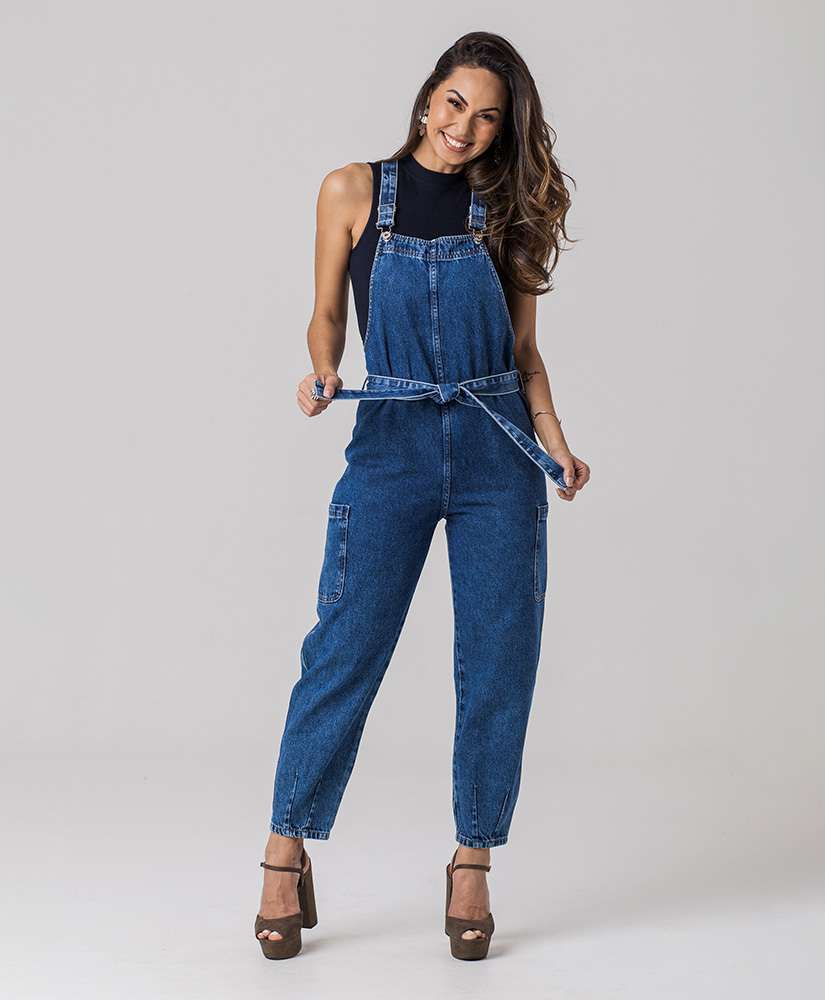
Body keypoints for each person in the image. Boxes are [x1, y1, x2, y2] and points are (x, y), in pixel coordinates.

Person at [255, 31, 590, 961]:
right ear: (427, 97)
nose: (465, 128)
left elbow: (524, 355)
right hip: (391, 442)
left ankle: (472, 859)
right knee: (344, 648)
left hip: (495, 450)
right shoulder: (351, 190)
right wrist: (323, 370)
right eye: (454, 103)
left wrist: (556, 444)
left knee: (498, 659)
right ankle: (285, 850)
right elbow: (327, 314)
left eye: (487, 117)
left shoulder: (507, 211)